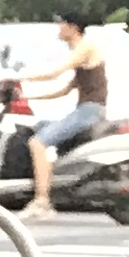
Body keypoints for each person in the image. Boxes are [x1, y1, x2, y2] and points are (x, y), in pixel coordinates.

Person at [22, 12, 108, 216]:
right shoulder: (82, 56)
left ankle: (42, 200)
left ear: (73, 27)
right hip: (87, 109)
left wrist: (20, 76)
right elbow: (65, 89)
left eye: (62, 24)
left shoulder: (84, 47)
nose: (59, 28)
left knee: (37, 143)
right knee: (39, 127)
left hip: (89, 111)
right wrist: (28, 99)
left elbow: (55, 73)